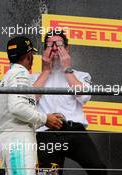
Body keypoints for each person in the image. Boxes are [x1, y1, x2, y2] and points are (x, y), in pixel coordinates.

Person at [32, 30, 107, 175]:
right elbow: (30, 100)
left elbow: (84, 97)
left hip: (74, 130)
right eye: (50, 45)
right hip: (46, 132)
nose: (54, 49)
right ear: (44, 50)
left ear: (67, 49)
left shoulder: (80, 75)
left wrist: (67, 68)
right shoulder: (35, 78)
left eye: (59, 45)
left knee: (98, 169)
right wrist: (45, 71)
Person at [0, 36, 63, 175]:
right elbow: (17, 107)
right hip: (18, 144)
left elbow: (15, 118)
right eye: (32, 53)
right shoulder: (20, 73)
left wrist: (47, 121)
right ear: (28, 55)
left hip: (12, 141)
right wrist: (45, 119)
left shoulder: (7, 77)